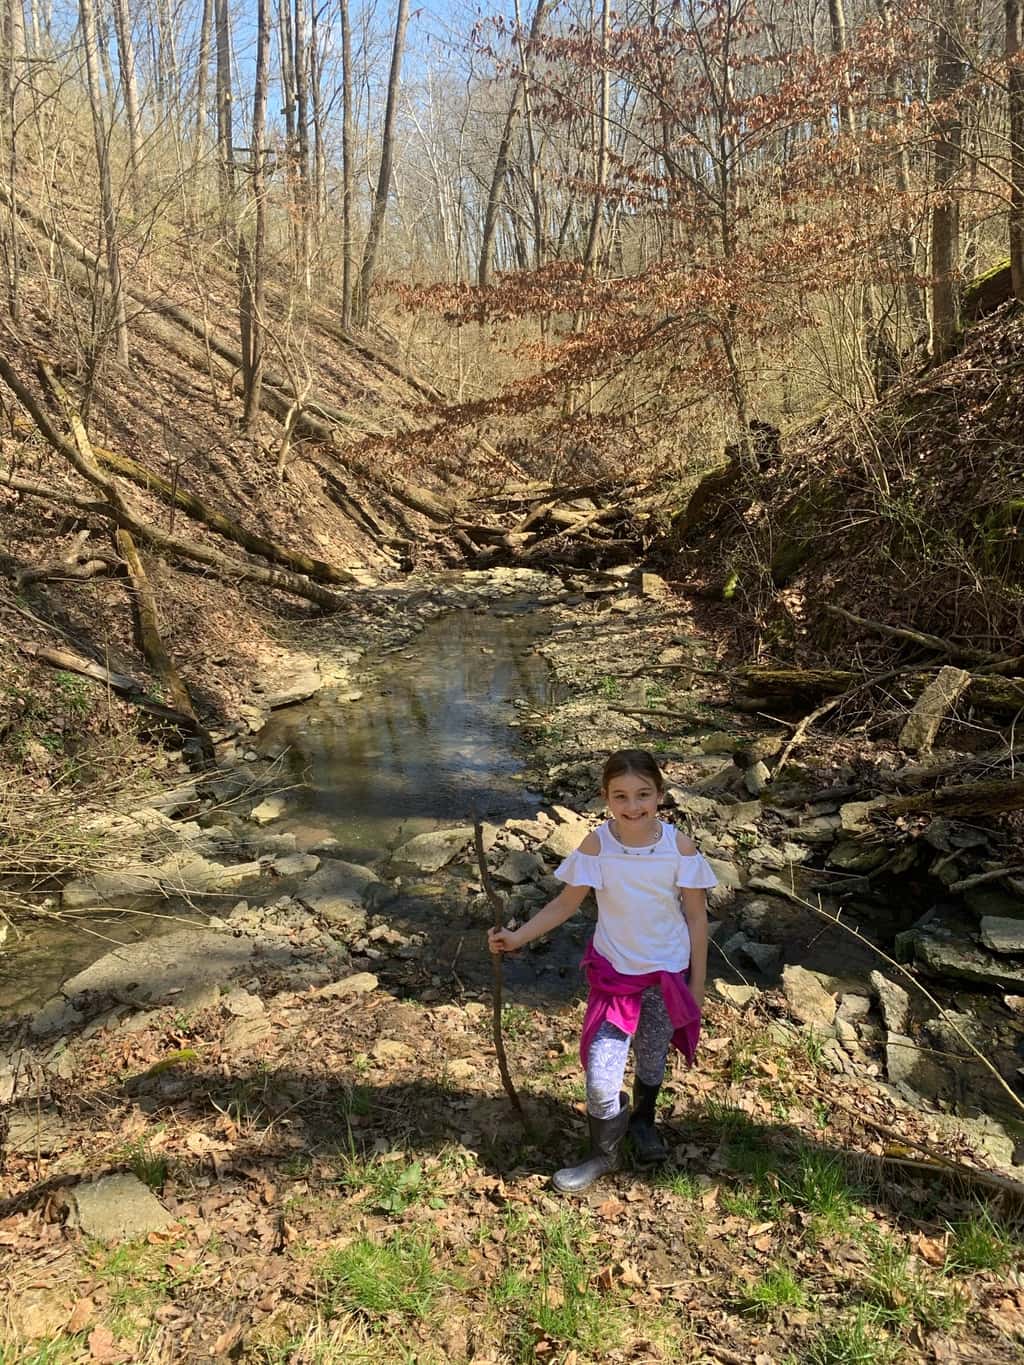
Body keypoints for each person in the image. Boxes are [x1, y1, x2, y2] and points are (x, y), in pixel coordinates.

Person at [488, 748, 716, 1193]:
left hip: (666, 977)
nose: (633, 806)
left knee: (652, 1058)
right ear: (605, 797)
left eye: (643, 794)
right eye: (620, 796)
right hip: (616, 978)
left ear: (660, 794)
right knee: (600, 1072)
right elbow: (564, 904)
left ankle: (643, 1122)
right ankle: (602, 1153)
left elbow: (695, 918)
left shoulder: (679, 848)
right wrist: (517, 937)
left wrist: (698, 984)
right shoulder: (598, 845)